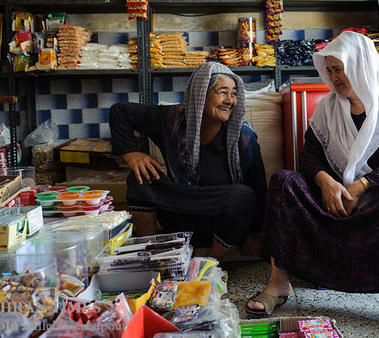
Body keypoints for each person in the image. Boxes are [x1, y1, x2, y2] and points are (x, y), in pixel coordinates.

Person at [246, 31, 379, 326]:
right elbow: (309, 160)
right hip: (334, 205)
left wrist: (360, 186)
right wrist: (327, 183)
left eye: (339, 69)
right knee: (284, 181)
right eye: (329, 71)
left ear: (360, 66)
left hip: (378, 206)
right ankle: (279, 283)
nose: (334, 77)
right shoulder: (328, 109)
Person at [109, 62, 267, 260]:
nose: (230, 101)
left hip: (221, 222)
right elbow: (120, 111)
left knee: (243, 196)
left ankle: (207, 263)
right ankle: (149, 257)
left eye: (234, 94)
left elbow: (259, 187)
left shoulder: (243, 137)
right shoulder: (173, 120)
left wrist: (255, 234)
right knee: (140, 177)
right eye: (223, 92)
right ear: (200, 94)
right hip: (177, 210)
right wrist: (132, 153)